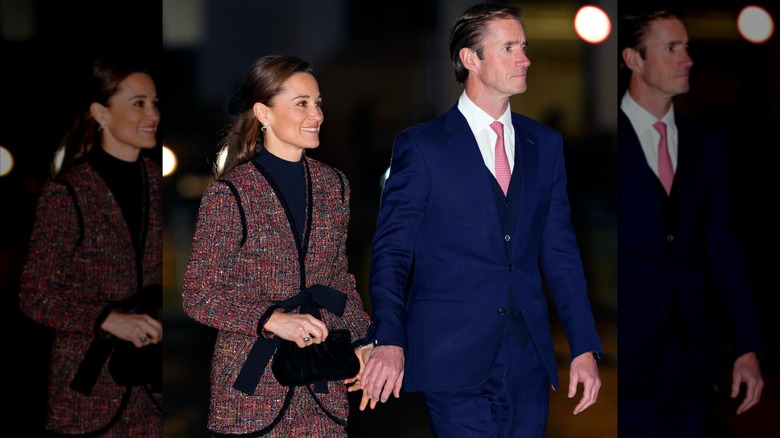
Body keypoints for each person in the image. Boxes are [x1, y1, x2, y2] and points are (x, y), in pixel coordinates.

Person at [359, 3, 603, 436]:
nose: (524, 58)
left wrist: (583, 345)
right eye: (509, 47)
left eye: (523, 47)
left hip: (528, 357)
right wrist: (390, 337)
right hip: (449, 357)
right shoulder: (422, 146)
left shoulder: (544, 144)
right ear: (471, 59)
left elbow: (561, 253)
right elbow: (393, 252)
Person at [181, 54, 372, 437]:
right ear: (263, 113)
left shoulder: (334, 185)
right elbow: (198, 294)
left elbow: (337, 278)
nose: (316, 114)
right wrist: (271, 319)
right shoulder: (230, 193)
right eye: (301, 103)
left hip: (322, 385)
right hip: (252, 392)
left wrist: (363, 337)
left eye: (317, 103)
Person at [617, 7, 765, 436]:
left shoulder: (708, 145)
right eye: (672, 48)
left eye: (687, 48)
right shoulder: (599, 147)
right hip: (626, 360)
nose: (688, 60)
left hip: (693, 362)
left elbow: (723, 251)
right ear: (634, 59)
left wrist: (746, 345)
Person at [18, 55, 163, 436]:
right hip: (89, 394)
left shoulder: (158, 183)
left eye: (154, 102)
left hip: (151, 391)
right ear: (100, 113)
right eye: (138, 103)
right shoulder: (68, 193)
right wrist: (105, 319)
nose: (153, 114)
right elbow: (35, 293)